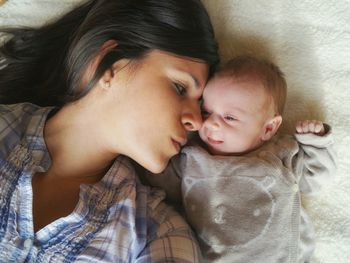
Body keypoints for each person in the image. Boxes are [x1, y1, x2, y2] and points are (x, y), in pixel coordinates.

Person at [0, 0, 220, 262]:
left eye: (200, 106)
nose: (197, 121)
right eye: (180, 87)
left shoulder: (158, 233)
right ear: (108, 64)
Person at [144, 56, 337, 262]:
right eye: (207, 112)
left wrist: (315, 142)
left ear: (268, 128)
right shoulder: (191, 158)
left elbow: (317, 177)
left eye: (230, 118)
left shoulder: (280, 153)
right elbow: (156, 180)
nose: (212, 124)